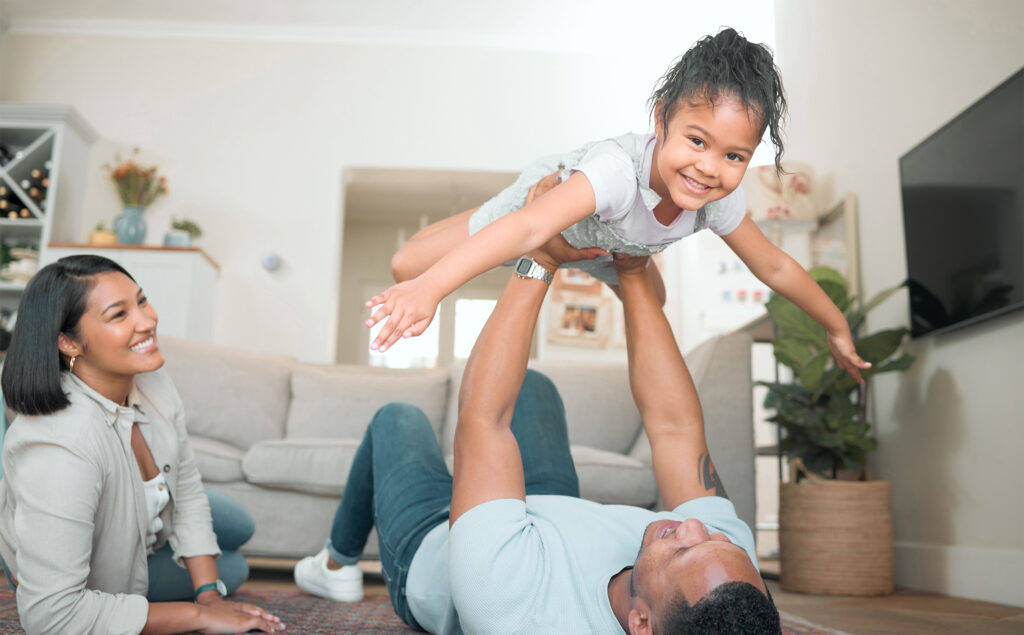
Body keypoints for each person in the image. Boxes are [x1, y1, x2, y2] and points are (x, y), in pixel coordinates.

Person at [294, 232, 780, 633]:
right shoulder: (731, 579)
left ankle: (335, 563)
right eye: (718, 539)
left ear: (641, 623)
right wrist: (632, 271)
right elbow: (677, 428)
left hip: (432, 546)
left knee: (397, 418)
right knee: (533, 385)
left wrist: (540, 254)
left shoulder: (517, 609)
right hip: (542, 521)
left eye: (681, 551)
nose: (694, 527)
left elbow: (484, 420)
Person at [363, 28, 871, 387]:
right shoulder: (615, 172)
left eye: (733, 155)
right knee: (405, 266)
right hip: (547, 210)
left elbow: (776, 266)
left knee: (656, 300)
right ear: (661, 121)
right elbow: (529, 227)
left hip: (609, 248)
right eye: (697, 141)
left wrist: (836, 325)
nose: (710, 168)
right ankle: (481, 215)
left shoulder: (720, 201)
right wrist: (429, 290)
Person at [0, 255, 284, 635]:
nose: (147, 321)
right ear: (68, 342)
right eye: (119, 315)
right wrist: (199, 616)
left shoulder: (150, 377)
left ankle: (170, 553)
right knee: (234, 568)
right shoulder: (60, 444)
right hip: (71, 555)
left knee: (236, 526)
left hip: (144, 520)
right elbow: (51, 617)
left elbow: (186, 486)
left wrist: (209, 595)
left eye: (142, 300)